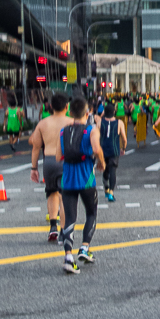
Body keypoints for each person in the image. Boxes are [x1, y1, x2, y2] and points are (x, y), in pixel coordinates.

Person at [59, 95, 105, 275]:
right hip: (86, 178)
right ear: (88, 113)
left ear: (70, 113)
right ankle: (84, 248)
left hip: (68, 178)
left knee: (69, 217)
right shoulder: (91, 129)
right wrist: (101, 162)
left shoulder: (63, 131)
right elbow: (96, 148)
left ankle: (68, 257)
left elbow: (57, 156)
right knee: (91, 212)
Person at [30, 93, 70, 241]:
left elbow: (35, 147)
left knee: (51, 193)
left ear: (51, 106)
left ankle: (53, 226)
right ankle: (64, 231)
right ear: (67, 107)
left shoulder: (42, 123)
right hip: (65, 161)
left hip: (48, 162)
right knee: (64, 196)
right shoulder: (72, 122)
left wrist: (34, 168)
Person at [100, 101, 127, 200]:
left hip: (102, 150)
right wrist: (123, 148)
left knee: (105, 169)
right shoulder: (119, 123)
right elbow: (124, 138)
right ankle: (111, 192)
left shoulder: (100, 122)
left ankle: (106, 188)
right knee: (113, 170)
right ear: (114, 111)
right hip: (114, 149)